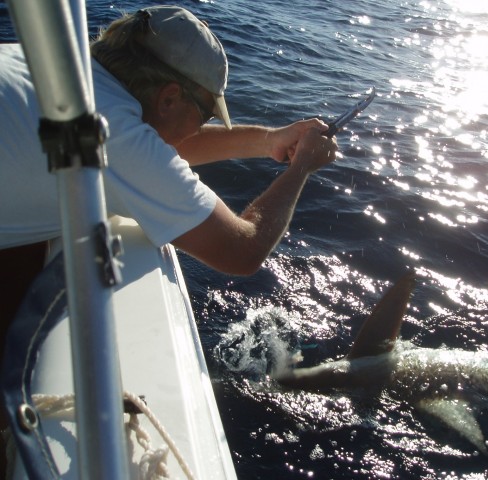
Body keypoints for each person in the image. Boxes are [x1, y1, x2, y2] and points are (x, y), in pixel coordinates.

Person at [0, 6, 336, 476]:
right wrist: (301, 167)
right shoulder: (113, 136)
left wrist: (270, 139)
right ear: (170, 97)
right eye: (202, 114)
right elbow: (242, 249)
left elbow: (161, 146)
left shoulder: (52, 67)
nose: (202, 127)